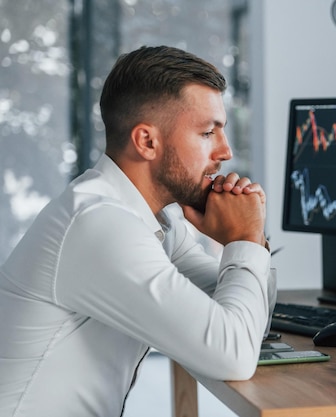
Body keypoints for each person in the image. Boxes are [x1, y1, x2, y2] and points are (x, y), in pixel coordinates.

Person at [0, 45, 274, 417]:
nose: (225, 151)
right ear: (147, 141)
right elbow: (234, 355)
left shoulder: (156, 221)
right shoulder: (99, 224)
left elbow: (249, 318)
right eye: (209, 132)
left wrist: (251, 239)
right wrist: (243, 239)